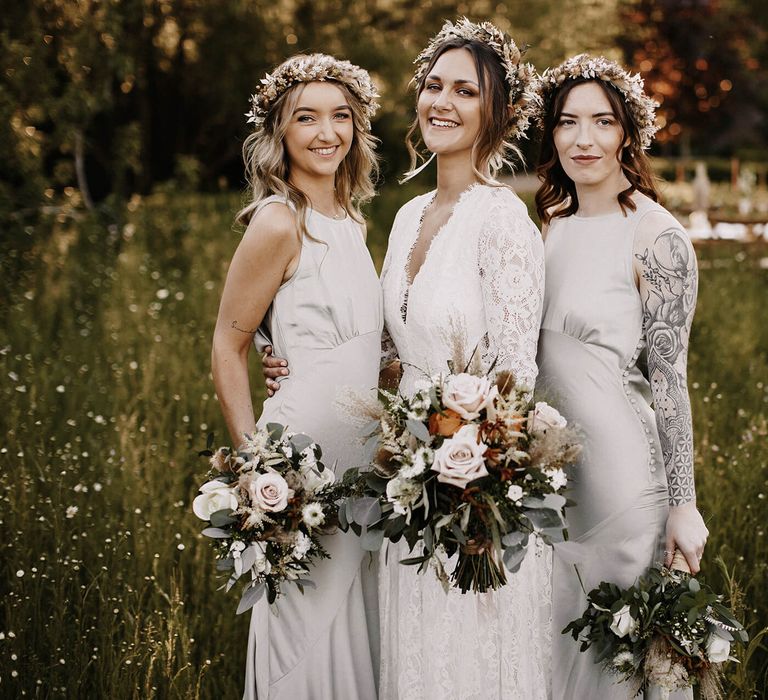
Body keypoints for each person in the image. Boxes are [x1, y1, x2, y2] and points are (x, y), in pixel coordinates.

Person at [264, 18, 552, 699]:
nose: (441, 102)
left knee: (472, 664)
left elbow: (517, 374)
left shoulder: (504, 219)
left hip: (473, 495)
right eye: (433, 86)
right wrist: (295, 360)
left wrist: (479, 491)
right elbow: (389, 351)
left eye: (465, 91)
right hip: (407, 483)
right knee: (415, 664)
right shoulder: (407, 215)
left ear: (497, 112)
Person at [532, 54, 709, 699]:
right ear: (550, 133)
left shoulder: (656, 237)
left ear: (627, 134)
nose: (584, 140)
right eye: (568, 123)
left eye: (601, 123)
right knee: (557, 645)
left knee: (621, 660)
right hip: (553, 486)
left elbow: (669, 381)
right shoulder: (549, 227)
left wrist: (684, 505)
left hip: (623, 483)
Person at [210, 53, 382, 700]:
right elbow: (225, 347)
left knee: (354, 633)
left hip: (362, 467)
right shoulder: (279, 221)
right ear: (280, 131)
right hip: (301, 469)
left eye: (340, 116)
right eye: (305, 117)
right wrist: (258, 466)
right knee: (301, 643)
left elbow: (359, 345)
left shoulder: (353, 223)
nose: (325, 132)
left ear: (357, 129)